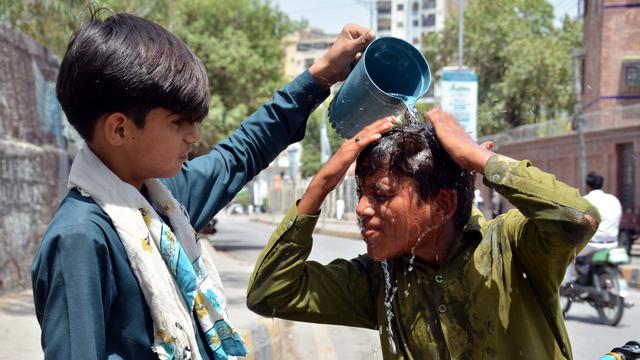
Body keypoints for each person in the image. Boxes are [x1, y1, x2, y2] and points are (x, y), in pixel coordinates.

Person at [31, 11, 374, 360]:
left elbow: (241, 153)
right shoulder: (81, 239)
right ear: (119, 130)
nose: (193, 136)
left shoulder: (163, 202)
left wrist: (321, 76)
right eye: (178, 122)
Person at [247, 109, 599, 359]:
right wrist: (321, 186)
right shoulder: (381, 277)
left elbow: (577, 219)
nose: (361, 209)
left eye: (381, 195)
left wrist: (477, 159)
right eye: (360, 194)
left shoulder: (511, 247)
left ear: (442, 206)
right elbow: (270, 293)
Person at [562, 171, 623, 285]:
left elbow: (575, 221)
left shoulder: (585, 201)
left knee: (568, 250)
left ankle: (567, 281)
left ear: (588, 186)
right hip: (612, 244)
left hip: (592, 245)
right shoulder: (613, 199)